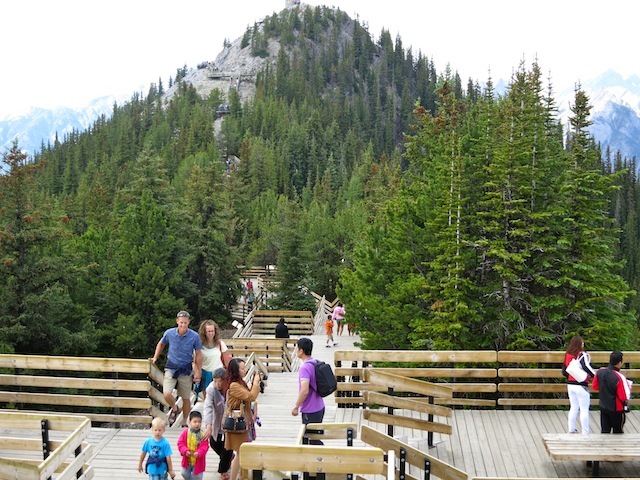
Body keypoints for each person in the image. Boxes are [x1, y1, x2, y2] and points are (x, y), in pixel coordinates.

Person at [152, 311, 203, 427]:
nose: (183, 325)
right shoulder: (169, 333)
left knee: (186, 398)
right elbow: (161, 344)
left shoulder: (194, 336)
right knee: (166, 393)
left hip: (186, 369)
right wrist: (155, 357)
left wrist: (198, 371)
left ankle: (185, 421)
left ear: (189, 322)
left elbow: (199, 354)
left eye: (185, 323)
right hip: (171, 367)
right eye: (181, 323)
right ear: (177, 322)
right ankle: (175, 408)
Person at [224, 358, 263, 480]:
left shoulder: (240, 383)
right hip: (238, 422)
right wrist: (256, 383)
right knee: (240, 453)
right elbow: (251, 396)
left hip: (245, 421)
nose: (245, 370)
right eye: (242, 368)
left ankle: (242, 476)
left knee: (244, 452)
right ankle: (234, 478)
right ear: (236, 371)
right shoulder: (234, 385)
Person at [291, 337, 325, 444]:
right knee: (314, 437)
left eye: (297, 349)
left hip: (310, 409)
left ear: (301, 351)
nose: (297, 351)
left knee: (311, 440)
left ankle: (325, 457)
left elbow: (304, 390)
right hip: (320, 406)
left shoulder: (305, 368)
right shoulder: (315, 362)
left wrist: (296, 407)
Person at [203, 368, 234, 480]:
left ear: (225, 380)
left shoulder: (232, 386)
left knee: (228, 445)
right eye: (215, 381)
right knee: (214, 442)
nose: (217, 384)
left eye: (219, 381)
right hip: (217, 419)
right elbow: (208, 406)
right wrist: (208, 424)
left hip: (231, 418)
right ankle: (228, 458)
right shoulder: (211, 389)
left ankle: (223, 470)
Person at [562, 336, 596, 435]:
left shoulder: (568, 355)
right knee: (584, 409)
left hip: (570, 384)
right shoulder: (582, 355)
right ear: (579, 344)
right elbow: (586, 367)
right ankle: (585, 432)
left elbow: (564, 370)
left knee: (573, 407)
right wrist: (595, 376)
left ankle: (571, 430)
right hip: (581, 384)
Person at [592, 350, 632, 433]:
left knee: (605, 431)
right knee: (618, 432)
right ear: (620, 363)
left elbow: (595, 387)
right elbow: (623, 397)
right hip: (616, 409)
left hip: (603, 406)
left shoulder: (600, 372)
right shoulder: (619, 377)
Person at [197, 320, 229, 399]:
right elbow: (195, 362)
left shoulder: (220, 344)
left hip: (219, 375)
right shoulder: (199, 346)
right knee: (208, 399)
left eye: (212, 331)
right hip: (206, 375)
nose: (211, 333)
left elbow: (227, 361)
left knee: (221, 399)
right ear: (204, 332)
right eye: (208, 331)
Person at [177, 411, 209, 480]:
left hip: (198, 461)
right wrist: (185, 451)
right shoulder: (185, 433)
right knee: (184, 473)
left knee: (197, 477)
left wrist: (199, 452)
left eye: (199, 422)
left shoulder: (203, 435)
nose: (197, 424)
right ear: (189, 422)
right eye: (195, 422)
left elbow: (205, 446)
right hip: (187, 459)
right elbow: (180, 443)